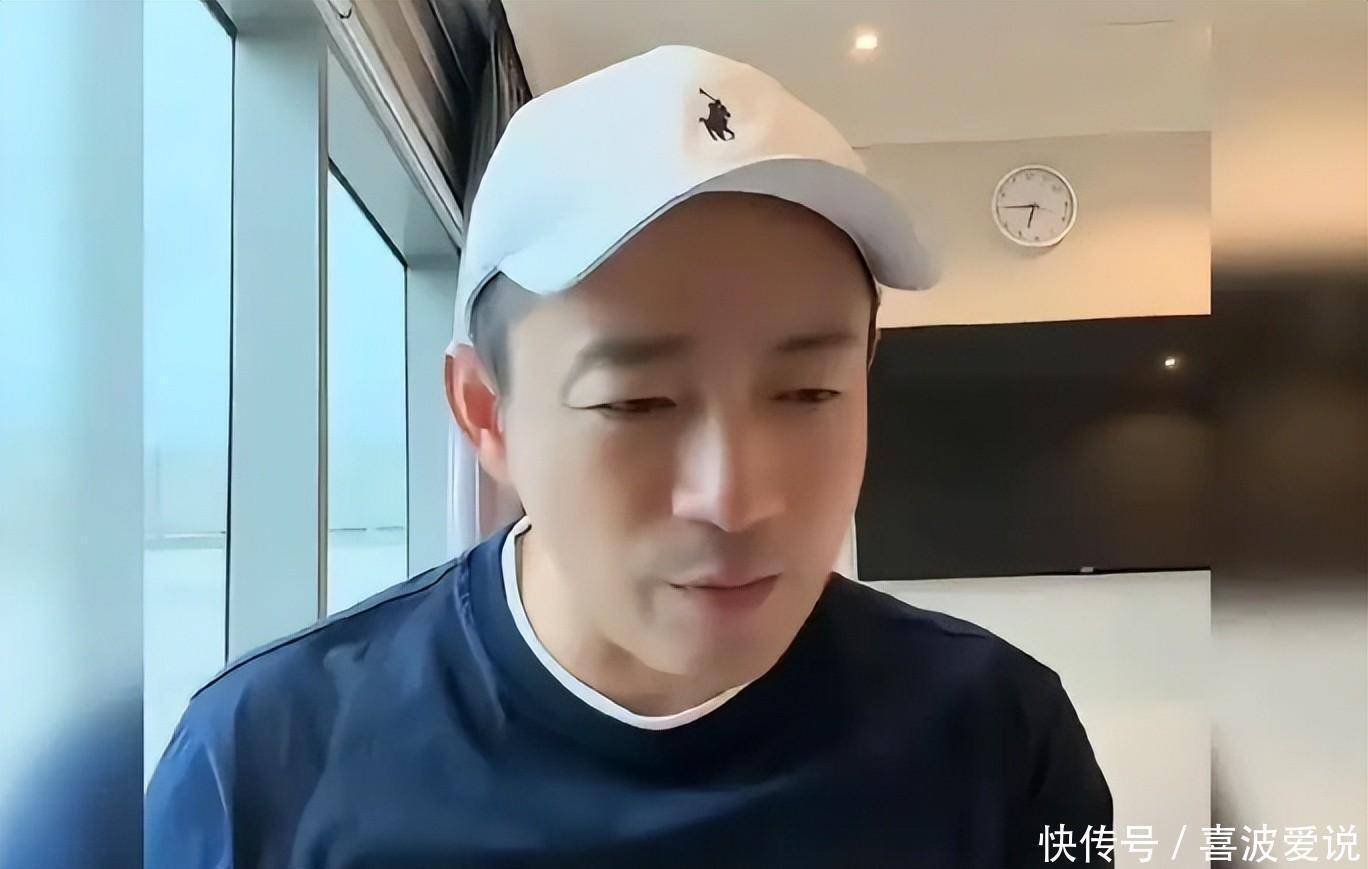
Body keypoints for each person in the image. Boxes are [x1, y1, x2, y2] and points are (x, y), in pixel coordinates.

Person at [146, 44, 1112, 868]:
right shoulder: (265, 765)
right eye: (636, 403)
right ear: (486, 412)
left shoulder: (997, 736)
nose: (734, 498)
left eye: (808, 393)